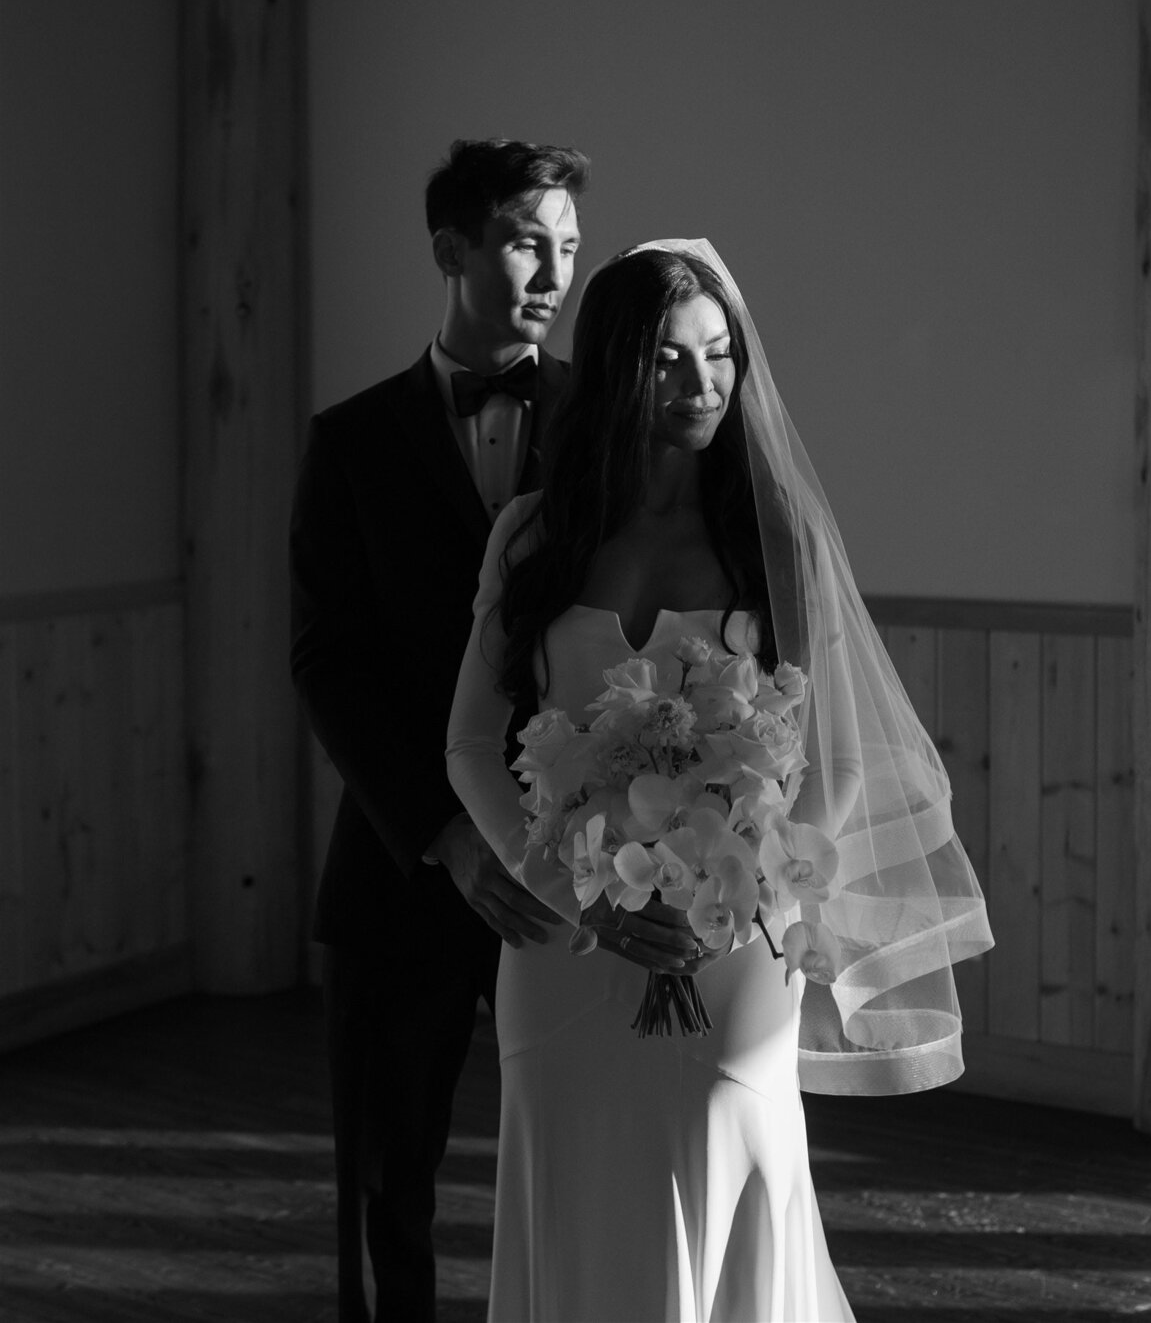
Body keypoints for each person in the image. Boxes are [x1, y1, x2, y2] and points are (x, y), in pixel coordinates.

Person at [446, 239, 994, 1322]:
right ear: (612, 369)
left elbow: (831, 765)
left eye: (719, 356)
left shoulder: (774, 544)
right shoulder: (533, 537)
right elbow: (469, 745)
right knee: (572, 1193)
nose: (700, 386)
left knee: (718, 1174)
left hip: (736, 944)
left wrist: (739, 901)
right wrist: (570, 892)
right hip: (561, 946)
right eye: (665, 360)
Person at [289, 138, 590, 1323]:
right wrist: (443, 834)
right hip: (399, 864)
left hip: (574, 866)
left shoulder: (607, 429)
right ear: (451, 249)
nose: (554, 272)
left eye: (568, 246)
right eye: (527, 240)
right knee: (384, 1178)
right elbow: (326, 663)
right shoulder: (350, 442)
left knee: (576, 1152)